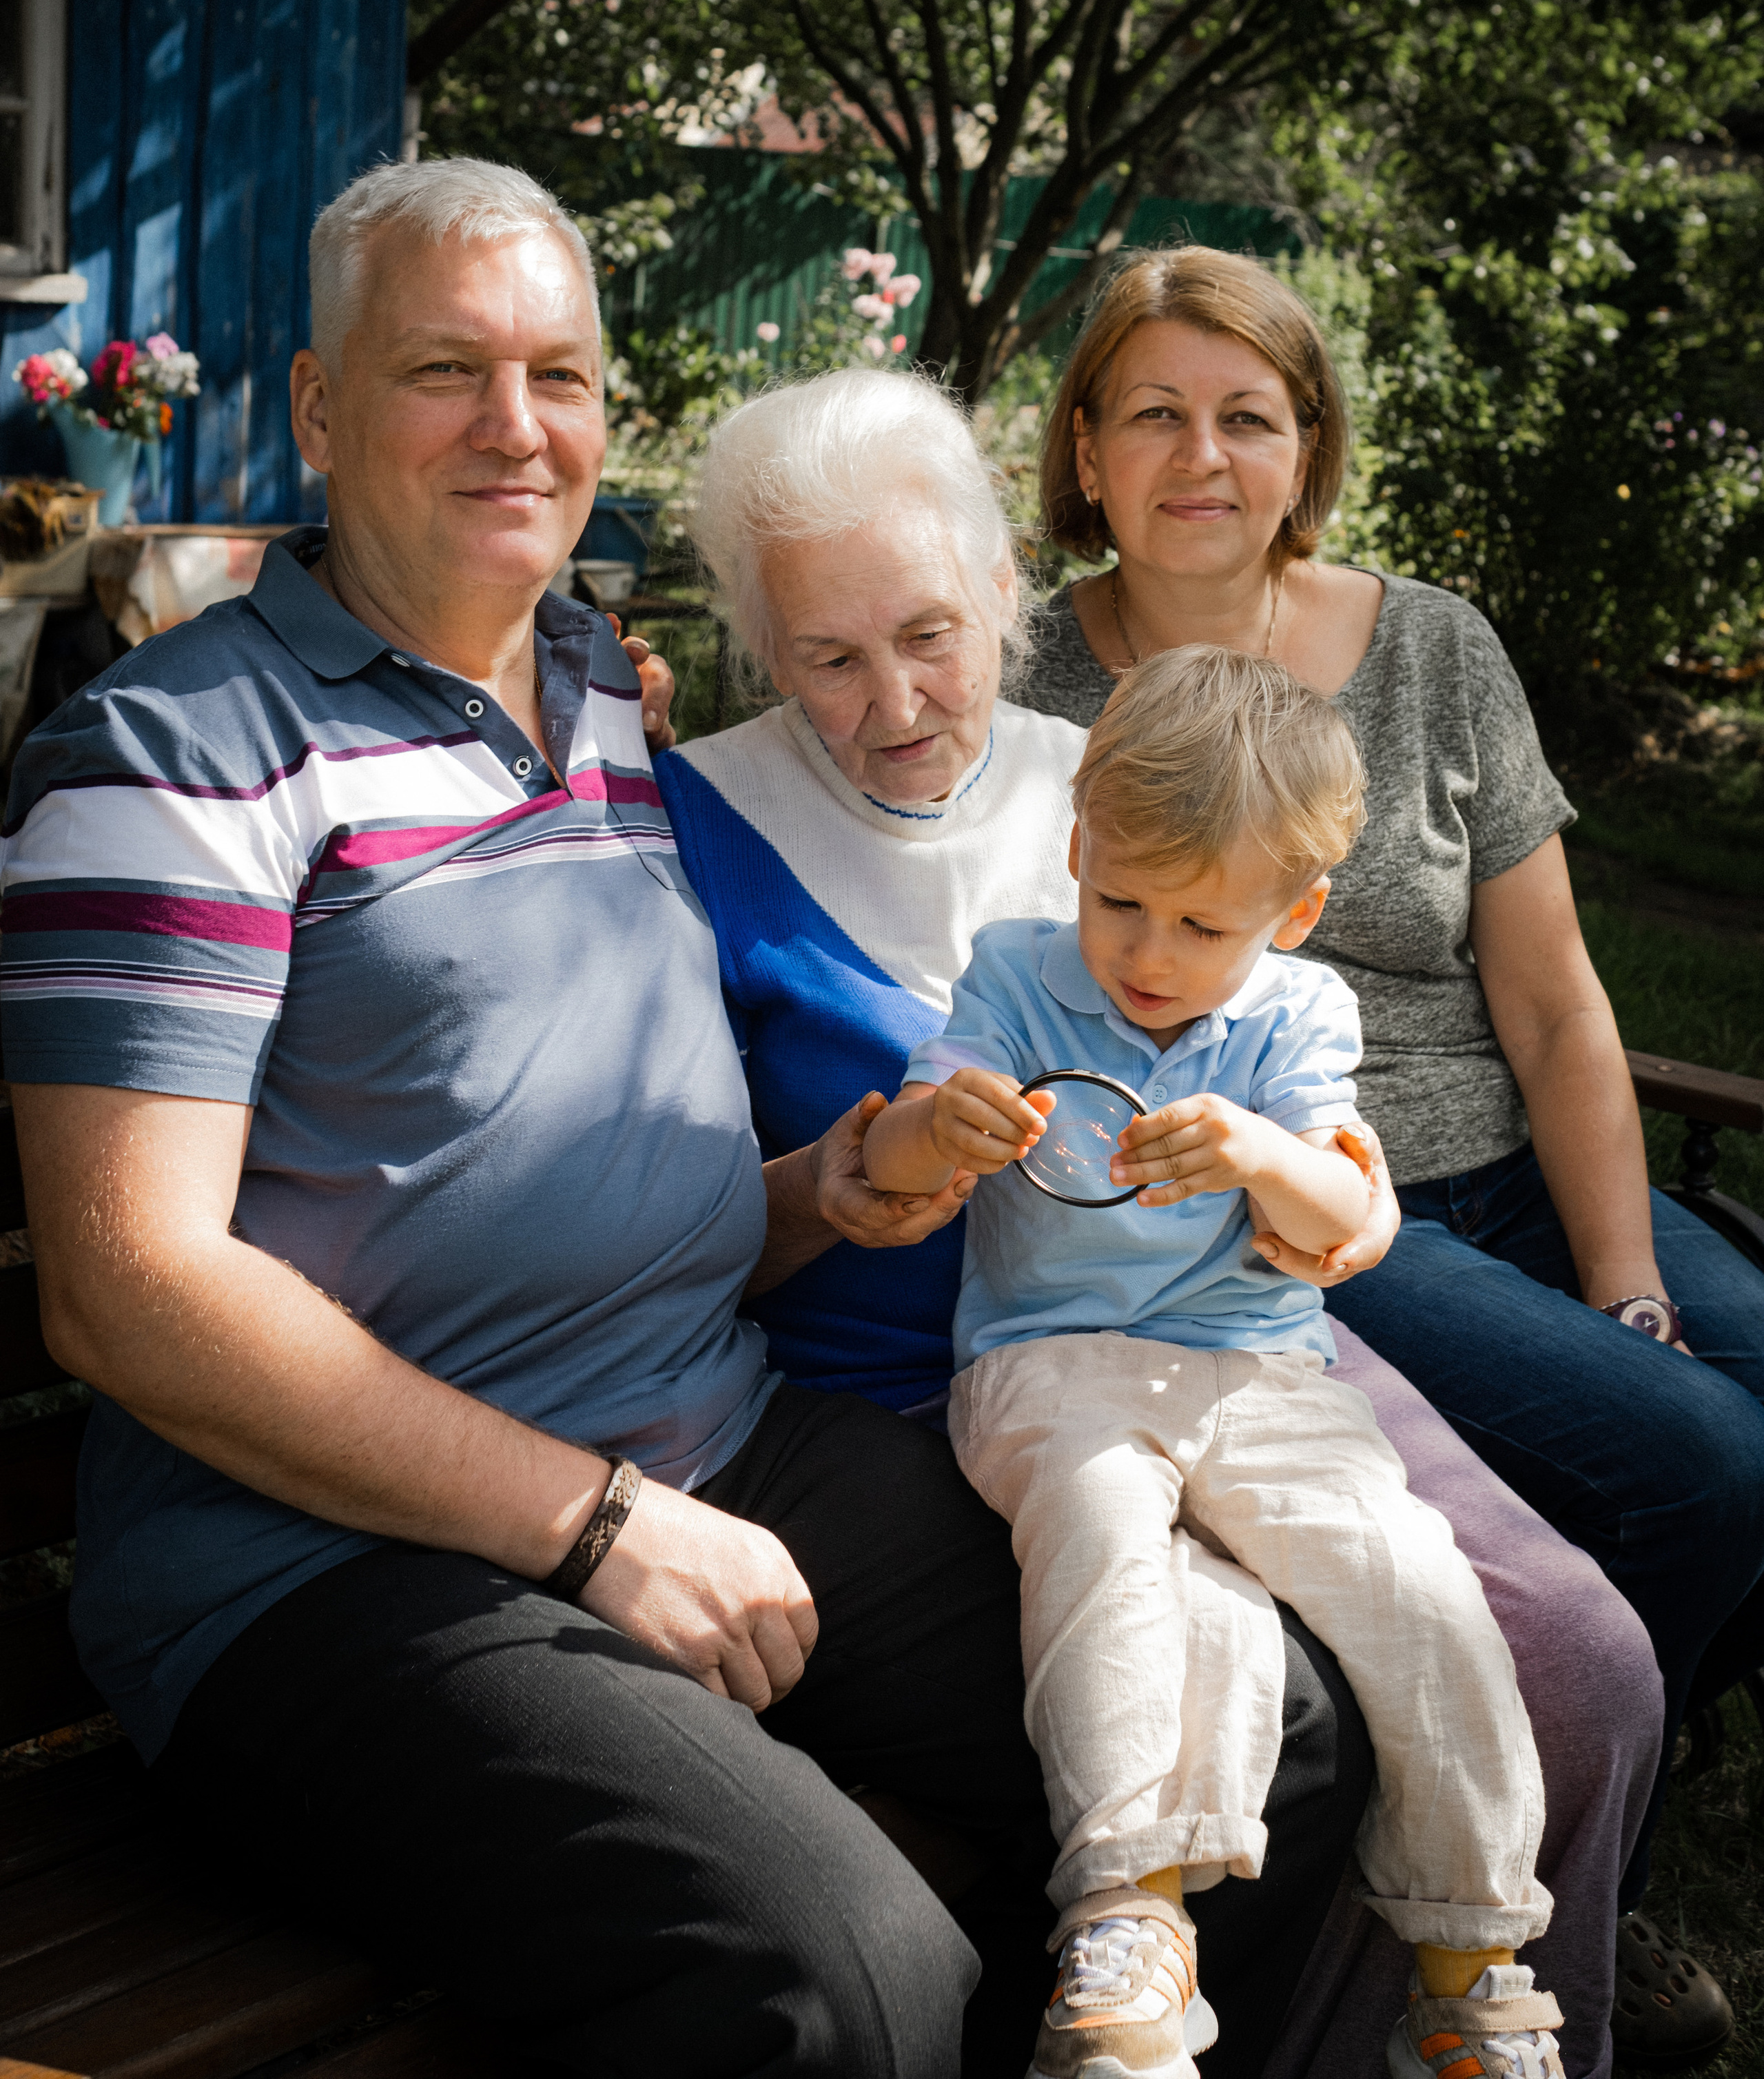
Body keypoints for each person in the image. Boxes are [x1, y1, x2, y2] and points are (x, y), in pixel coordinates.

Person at [5, 156, 1091, 2079]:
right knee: (843, 1977)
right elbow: (123, 1286)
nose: (520, 426)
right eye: (448, 371)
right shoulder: (172, 754)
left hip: (707, 1439)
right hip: (324, 1566)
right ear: (323, 412)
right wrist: (592, 1528)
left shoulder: (593, 690)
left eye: (564, 375)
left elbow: (535, 1159)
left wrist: (818, 1190)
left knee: (1244, 1726)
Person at [655, 365, 1664, 2079]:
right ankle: (1195, 2004)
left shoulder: (1134, 773)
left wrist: (1306, 1209)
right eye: (826, 656)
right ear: (762, 654)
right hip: (974, 1380)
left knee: (1579, 1660)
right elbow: (685, 1214)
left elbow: (1328, 1167)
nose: (895, 698)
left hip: (1247, 1331)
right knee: (1252, 1685)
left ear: (1002, 595)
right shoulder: (690, 822)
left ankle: (1487, 2006)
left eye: (929, 631)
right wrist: (863, 1173)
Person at [1014, 241, 1760, 2064]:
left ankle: (1578, 1845)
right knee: (1708, 1464)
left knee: (1727, 1365)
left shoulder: (1433, 647)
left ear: (1309, 446)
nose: (1206, 454)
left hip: (1499, 1168)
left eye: (1249, 416)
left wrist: (1627, 1279)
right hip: (1299, 1217)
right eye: (1158, 415)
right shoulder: (1028, 675)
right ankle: (1529, 1913)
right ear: (1088, 451)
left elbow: (1564, 1006)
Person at [868, 646, 1563, 2079]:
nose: (1145, 952)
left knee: (1410, 1583)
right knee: (1113, 1553)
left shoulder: (1297, 1018)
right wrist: (938, 1131)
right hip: (1047, 1368)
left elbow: (1354, 1219)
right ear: (1074, 847)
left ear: (1291, 913)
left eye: (1198, 923)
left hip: (1255, 1373)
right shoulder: (1013, 975)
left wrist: (1258, 1154)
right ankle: (1123, 1911)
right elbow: (899, 1133)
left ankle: (1469, 1954)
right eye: (1116, 899)